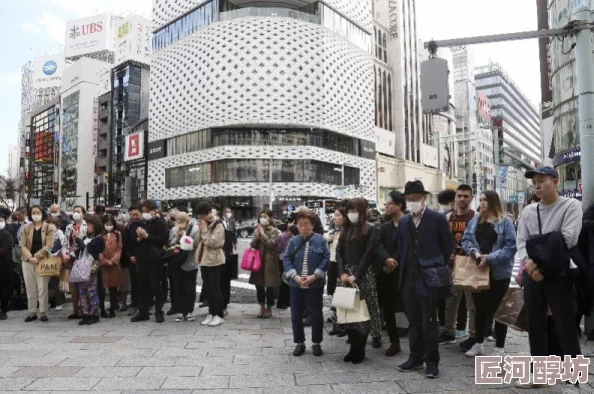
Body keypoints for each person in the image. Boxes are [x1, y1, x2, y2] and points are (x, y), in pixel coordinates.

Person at [515, 166, 583, 389]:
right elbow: (522, 241)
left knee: (565, 324)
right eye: (534, 182)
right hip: (532, 275)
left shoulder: (571, 206)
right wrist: (529, 265)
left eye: (542, 180)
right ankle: (539, 374)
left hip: (558, 274)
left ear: (555, 181)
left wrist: (537, 264)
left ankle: (574, 373)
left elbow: (567, 239)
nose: (536, 185)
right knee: (535, 324)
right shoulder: (528, 211)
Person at [397, 180, 454, 379]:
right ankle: (415, 356)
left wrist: (436, 264)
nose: (412, 202)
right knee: (413, 320)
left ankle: (432, 361)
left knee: (429, 321)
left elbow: (448, 245)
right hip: (408, 277)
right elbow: (401, 247)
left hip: (429, 277)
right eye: (409, 199)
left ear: (424, 198)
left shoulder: (437, 218)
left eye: (416, 198)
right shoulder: (404, 221)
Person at [461, 191, 517, 357]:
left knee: (499, 310)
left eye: (485, 200)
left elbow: (510, 247)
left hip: (499, 273)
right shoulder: (475, 221)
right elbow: (466, 240)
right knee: (480, 308)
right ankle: (478, 343)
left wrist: (490, 258)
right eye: (481, 200)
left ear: (493, 202)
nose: (482, 203)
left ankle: (499, 347)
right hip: (479, 270)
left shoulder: (505, 222)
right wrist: (475, 253)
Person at [336, 197, 380, 364]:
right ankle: (352, 348)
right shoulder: (345, 229)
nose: (351, 214)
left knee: (362, 314)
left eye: (355, 211)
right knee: (348, 313)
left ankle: (359, 350)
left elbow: (369, 254)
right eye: (349, 211)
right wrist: (342, 273)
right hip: (346, 276)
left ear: (362, 211)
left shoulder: (371, 228)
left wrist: (356, 274)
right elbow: (338, 252)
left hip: (362, 276)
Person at [283, 209, 330, 357]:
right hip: (296, 284)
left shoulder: (321, 240)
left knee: (316, 313)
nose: (303, 227)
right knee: (296, 314)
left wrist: (315, 275)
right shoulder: (293, 241)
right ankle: (299, 342)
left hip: (314, 284)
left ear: (313, 225)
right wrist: (294, 276)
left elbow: (326, 259)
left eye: (306, 224)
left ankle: (316, 343)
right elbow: (286, 259)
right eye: (300, 224)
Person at [440, 185, 477, 350]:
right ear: (455, 198)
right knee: (450, 299)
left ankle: (474, 335)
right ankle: (449, 331)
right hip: (451, 264)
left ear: (471, 198)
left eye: (466, 196)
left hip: (469, 263)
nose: (462, 199)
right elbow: (441, 239)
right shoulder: (447, 217)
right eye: (459, 196)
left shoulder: (476, 217)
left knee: (471, 302)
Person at [375, 191, 406, 357]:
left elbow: (408, 247)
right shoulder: (385, 226)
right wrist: (386, 259)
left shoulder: (409, 224)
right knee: (388, 308)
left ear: (399, 205)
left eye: (389, 204)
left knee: (409, 307)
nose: (386, 207)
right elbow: (378, 245)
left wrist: (395, 261)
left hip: (404, 272)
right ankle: (394, 342)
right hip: (386, 272)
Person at [131, 200, 169, 323]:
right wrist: (139, 237)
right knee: (142, 286)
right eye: (143, 211)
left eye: (147, 211)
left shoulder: (160, 223)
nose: (145, 214)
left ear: (153, 210)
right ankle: (143, 312)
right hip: (142, 259)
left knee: (156, 286)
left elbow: (162, 240)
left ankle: (159, 311)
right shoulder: (141, 223)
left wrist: (147, 236)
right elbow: (133, 241)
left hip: (154, 259)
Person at [20, 205, 56, 322]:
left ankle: (43, 312)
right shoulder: (26, 228)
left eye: (38, 212)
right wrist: (30, 257)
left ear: (42, 213)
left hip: (42, 260)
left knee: (42, 288)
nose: (36, 215)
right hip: (27, 261)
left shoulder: (49, 227)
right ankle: (32, 312)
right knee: (30, 287)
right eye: (33, 213)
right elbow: (23, 245)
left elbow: (49, 245)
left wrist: (36, 256)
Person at [194, 202, 226, 327]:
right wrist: (200, 229)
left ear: (208, 213)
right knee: (208, 289)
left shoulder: (218, 225)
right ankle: (211, 313)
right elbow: (197, 242)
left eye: (202, 216)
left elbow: (213, 243)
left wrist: (204, 230)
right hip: (204, 261)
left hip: (214, 261)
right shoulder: (205, 224)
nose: (200, 219)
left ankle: (218, 315)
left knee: (215, 289)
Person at [72, 215, 105, 325]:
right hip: (82, 265)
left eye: (90, 225)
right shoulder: (86, 238)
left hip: (91, 266)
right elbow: (79, 250)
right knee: (83, 291)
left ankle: (94, 313)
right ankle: (85, 313)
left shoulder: (99, 239)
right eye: (88, 225)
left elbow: (87, 249)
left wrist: (77, 239)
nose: (88, 227)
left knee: (92, 291)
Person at [250, 209, 281, 319]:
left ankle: (269, 307)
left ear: (270, 218)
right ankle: (262, 306)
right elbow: (252, 244)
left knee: (270, 286)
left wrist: (262, 234)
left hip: (270, 262)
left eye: (265, 216)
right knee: (259, 285)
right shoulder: (257, 230)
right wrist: (258, 235)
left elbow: (270, 244)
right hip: (258, 260)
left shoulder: (275, 231)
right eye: (261, 216)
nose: (262, 218)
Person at [168, 211, 199, 322]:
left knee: (189, 288)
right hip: (177, 263)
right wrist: (177, 237)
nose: (179, 227)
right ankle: (181, 311)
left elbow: (195, 245)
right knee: (178, 287)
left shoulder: (195, 230)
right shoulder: (174, 230)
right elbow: (170, 245)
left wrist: (185, 237)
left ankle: (189, 311)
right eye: (178, 224)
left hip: (190, 261)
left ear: (188, 221)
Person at [64, 206, 88, 319]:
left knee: (83, 284)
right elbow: (65, 242)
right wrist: (66, 253)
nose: (76, 213)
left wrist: (78, 236)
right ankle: (74, 310)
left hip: (83, 257)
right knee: (74, 285)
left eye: (78, 211)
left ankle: (84, 309)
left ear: (83, 213)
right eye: (74, 212)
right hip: (72, 258)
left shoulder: (87, 226)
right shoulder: (69, 227)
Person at [99, 215, 124, 318]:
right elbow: (98, 250)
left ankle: (113, 308)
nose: (108, 226)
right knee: (102, 288)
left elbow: (119, 249)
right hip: (102, 265)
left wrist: (113, 260)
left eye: (110, 224)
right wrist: (104, 261)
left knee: (113, 288)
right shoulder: (100, 235)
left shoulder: (117, 234)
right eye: (106, 224)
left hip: (114, 265)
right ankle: (102, 309)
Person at [327, 206, 347, 337]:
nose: (335, 217)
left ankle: (344, 325)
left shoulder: (349, 233)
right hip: (332, 264)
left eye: (338, 215)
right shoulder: (333, 232)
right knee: (333, 294)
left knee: (343, 297)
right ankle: (336, 322)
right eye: (334, 215)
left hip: (343, 267)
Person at [122, 205, 143, 315]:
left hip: (144, 257)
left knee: (143, 283)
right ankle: (134, 303)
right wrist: (130, 256)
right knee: (134, 282)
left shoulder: (145, 223)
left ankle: (144, 304)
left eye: (136, 214)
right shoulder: (129, 225)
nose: (134, 217)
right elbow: (126, 243)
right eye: (131, 215)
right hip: (132, 258)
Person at [46, 216, 66, 311]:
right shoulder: (47, 233)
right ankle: (51, 302)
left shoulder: (60, 234)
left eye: (52, 223)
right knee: (49, 282)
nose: (51, 225)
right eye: (49, 223)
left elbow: (64, 246)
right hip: (47, 259)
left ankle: (59, 302)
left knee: (56, 282)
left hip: (57, 258)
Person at [221, 207, 237, 316]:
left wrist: (235, 243)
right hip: (219, 252)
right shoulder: (219, 223)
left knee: (225, 280)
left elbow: (234, 233)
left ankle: (224, 305)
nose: (228, 214)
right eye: (227, 212)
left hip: (228, 251)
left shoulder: (231, 221)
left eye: (229, 212)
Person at [0, 208, 15, 320]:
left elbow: (7, 249)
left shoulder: (7, 234)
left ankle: (3, 309)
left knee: (4, 287)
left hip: (4, 265)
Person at [276, 224, 293, 310]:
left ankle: (287, 301)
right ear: (287, 230)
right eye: (291, 232)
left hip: (289, 260)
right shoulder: (282, 237)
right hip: (282, 260)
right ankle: (281, 302)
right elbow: (278, 249)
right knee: (283, 282)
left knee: (288, 282)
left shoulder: (291, 238)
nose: (292, 234)